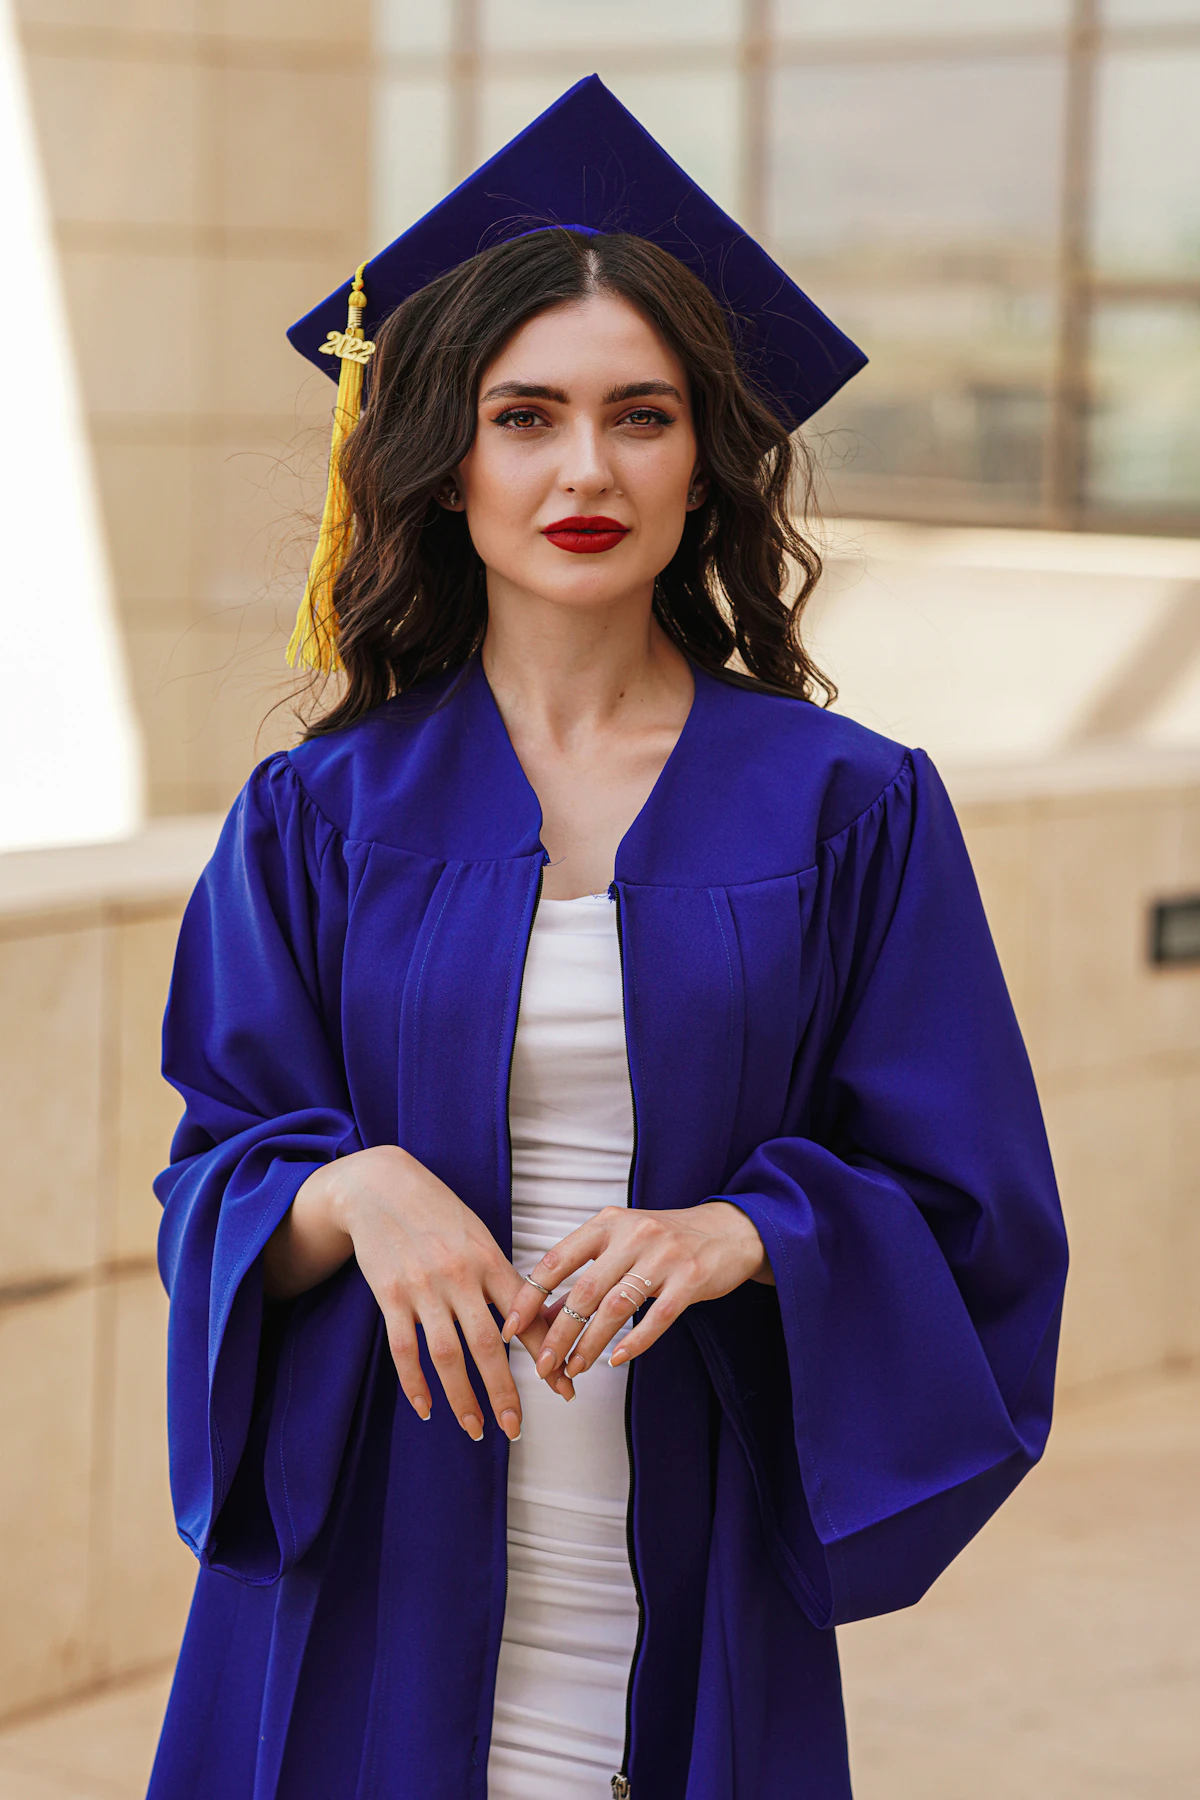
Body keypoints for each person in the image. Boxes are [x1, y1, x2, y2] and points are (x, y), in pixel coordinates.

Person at [148, 77, 1067, 1800]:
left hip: (684, 1568)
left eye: (641, 415)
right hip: (373, 1586)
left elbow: (977, 1215)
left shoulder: (847, 809)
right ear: (442, 463)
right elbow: (216, 1183)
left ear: (704, 454)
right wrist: (352, 1191)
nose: (587, 468)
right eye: (527, 416)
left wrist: (752, 1228)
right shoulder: (320, 816)